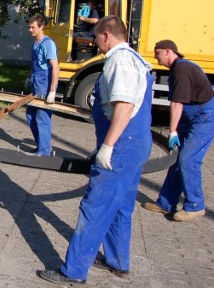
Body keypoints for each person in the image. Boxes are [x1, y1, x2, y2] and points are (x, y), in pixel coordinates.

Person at [38, 16, 153, 285]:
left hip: (122, 146)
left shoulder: (120, 61)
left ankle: (74, 271)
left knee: (95, 207)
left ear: (106, 36)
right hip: (135, 144)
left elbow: (123, 108)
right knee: (122, 206)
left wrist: (108, 147)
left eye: (96, 36)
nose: (93, 41)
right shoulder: (136, 59)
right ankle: (117, 262)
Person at [142, 40, 214, 222]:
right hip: (192, 116)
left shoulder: (182, 69)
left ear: (168, 51)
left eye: (157, 54)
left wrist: (173, 131)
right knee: (176, 159)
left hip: (204, 117)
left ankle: (195, 206)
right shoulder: (177, 69)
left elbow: (177, 103)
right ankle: (166, 203)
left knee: (188, 159)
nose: (156, 59)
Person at [26, 14, 59, 156]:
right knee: (30, 115)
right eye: (29, 27)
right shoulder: (35, 43)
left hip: (44, 85)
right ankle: (41, 145)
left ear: (41, 27)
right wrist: (29, 77)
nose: (30, 30)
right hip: (35, 83)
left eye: (33, 27)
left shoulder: (48, 44)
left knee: (42, 117)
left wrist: (52, 91)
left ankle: (44, 151)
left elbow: (55, 67)